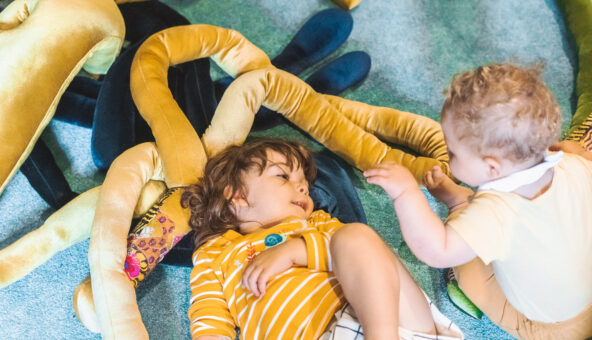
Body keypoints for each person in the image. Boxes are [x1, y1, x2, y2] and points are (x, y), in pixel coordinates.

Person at [363, 63, 592, 339]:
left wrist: (406, 194)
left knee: (471, 274)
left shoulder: (496, 212)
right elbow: (576, 149)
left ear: (492, 168)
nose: (448, 157)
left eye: (453, 153)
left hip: (555, 329)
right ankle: (462, 205)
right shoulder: (575, 162)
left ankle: (459, 204)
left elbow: (438, 250)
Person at [181, 138, 464, 340]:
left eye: (303, 182)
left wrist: (296, 250)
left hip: (386, 321)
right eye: (283, 176)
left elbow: (365, 261)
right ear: (237, 196)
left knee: (356, 236)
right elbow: (208, 314)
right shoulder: (215, 254)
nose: (303, 187)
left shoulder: (317, 224)